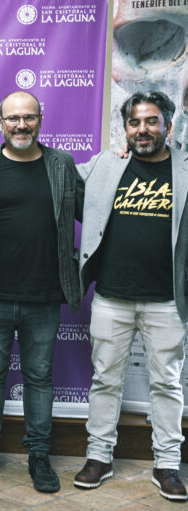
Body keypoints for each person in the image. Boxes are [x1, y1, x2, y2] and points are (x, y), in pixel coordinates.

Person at [0, 91, 82, 493]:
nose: (21, 125)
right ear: (0, 122)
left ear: (40, 119)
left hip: (44, 296)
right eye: (13, 118)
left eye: (29, 117)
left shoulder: (62, 164)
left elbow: (91, 210)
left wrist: (122, 160)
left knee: (39, 377)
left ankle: (39, 456)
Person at [72, 91, 188, 501]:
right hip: (111, 297)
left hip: (167, 302)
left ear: (168, 126)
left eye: (151, 121)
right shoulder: (107, 163)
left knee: (167, 384)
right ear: (125, 128)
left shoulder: (185, 169)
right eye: (134, 122)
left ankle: (167, 464)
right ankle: (98, 456)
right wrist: (8, 151)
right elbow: (57, 174)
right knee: (105, 380)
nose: (142, 130)